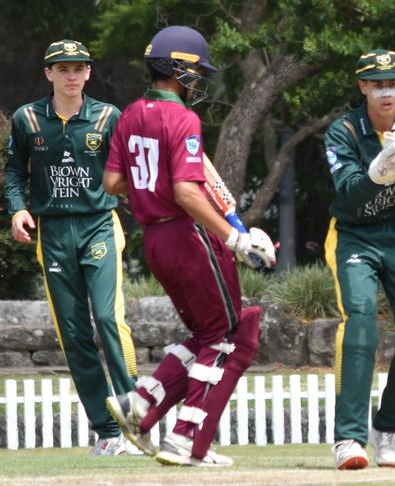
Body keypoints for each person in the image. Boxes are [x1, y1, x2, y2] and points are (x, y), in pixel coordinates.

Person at [102, 25, 276, 467]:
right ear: (177, 68)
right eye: (194, 72)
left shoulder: (130, 114)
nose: (197, 81)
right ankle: (185, 438)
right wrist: (233, 237)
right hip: (186, 234)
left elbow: (113, 183)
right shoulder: (183, 119)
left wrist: (150, 190)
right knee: (227, 338)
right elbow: (187, 192)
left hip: (155, 242)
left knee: (206, 333)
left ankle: (141, 403)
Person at [4, 39, 139, 455]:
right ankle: (108, 433)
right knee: (75, 335)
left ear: (88, 73)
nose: (71, 75)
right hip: (54, 232)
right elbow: (13, 170)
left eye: (78, 67)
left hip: (98, 225)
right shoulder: (27, 119)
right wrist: (17, 210)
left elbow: (129, 172)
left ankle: (136, 423)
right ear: (48, 73)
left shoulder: (107, 117)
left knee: (108, 319)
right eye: (62, 68)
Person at [323, 49, 395, 469]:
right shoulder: (343, 132)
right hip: (353, 235)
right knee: (361, 323)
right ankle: (348, 439)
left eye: (393, 84)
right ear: (363, 87)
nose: (386, 93)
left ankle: (389, 431)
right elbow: (348, 193)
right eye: (377, 85)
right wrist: (377, 173)